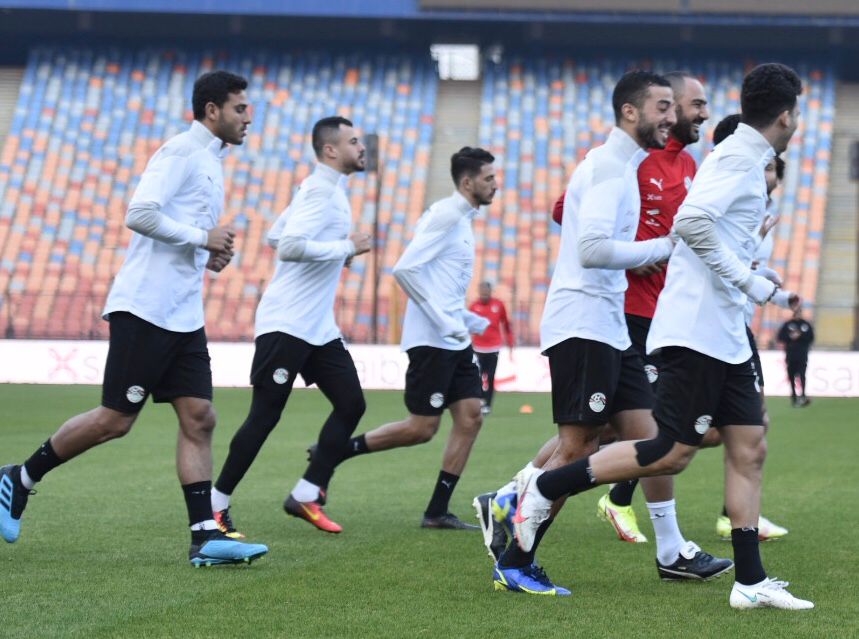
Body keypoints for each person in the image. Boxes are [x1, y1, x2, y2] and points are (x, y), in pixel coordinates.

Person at [513, 63, 813, 610]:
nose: (677, 116)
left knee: (750, 445)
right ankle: (544, 487)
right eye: (666, 106)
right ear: (788, 116)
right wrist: (750, 281)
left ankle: (750, 582)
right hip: (691, 329)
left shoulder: (741, 160)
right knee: (667, 452)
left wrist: (755, 274)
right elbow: (691, 224)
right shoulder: (734, 159)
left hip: (723, 330)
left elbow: (712, 235)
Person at [0, 71, 268, 567]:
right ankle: (20, 477)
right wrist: (201, 238)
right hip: (146, 308)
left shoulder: (212, 161)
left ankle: (205, 537)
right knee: (115, 421)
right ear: (212, 110)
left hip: (182, 314)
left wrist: (206, 254)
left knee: (200, 416)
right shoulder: (180, 153)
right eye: (240, 108)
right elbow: (139, 214)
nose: (248, 117)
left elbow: (180, 232)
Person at [488, 70, 731, 597]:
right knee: (577, 447)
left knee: (651, 440)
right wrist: (665, 247)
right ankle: (516, 559)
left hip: (610, 325)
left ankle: (516, 502)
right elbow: (592, 249)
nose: (671, 117)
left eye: (673, 108)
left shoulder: (625, 166)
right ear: (629, 112)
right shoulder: (605, 168)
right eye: (663, 107)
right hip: (583, 323)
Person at [314, 147, 496, 530]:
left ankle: (437, 511)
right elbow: (405, 270)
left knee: (471, 417)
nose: (495, 184)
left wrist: (463, 318)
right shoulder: (446, 215)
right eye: (489, 178)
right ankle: (336, 451)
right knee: (421, 429)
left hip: (454, 339)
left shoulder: (462, 218)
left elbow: (440, 283)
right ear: (468, 182)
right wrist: (442, 320)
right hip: (432, 341)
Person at [210, 116, 372, 537]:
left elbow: (274, 236)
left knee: (351, 404)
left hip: (317, 326)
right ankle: (216, 505)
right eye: (353, 141)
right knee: (265, 416)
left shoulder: (323, 189)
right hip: (287, 322)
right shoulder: (320, 191)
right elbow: (290, 247)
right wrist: (345, 247)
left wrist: (337, 254)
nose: (361, 147)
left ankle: (305, 493)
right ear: (331, 150)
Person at [468, 281, 514, 415]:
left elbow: (506, 324)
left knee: (491, 376)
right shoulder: (474, 306)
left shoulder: (498, 305)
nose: (484, 294)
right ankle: (481, 400)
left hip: (493, 348)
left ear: (490, 291)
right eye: (481, 291)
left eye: (485, 291)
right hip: (477, 348)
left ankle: (487, 404)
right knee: (477, 376)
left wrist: (510, 343)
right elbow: (467, 326)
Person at [777, 307, 815, 407]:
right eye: (796, 312)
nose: (797, 314)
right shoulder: (788, 324)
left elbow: (811, 337)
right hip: (790, 355)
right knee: (791, 376)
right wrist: (791, 336)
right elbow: (780, 337)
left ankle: (803, 395)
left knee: (802, 375)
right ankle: (794, 396)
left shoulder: (806, 324)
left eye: (799, 312)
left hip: (802, 355)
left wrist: (800, 336)